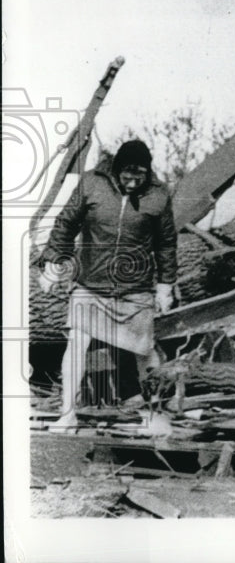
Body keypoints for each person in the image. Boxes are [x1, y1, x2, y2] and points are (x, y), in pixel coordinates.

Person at [36, 139, 178, 429]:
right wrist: (52, 262)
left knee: (144, 351)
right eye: (127, 174)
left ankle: (153, 414)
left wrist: (166, 285)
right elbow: (65, 223)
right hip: (90, 283)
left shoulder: (159, 195)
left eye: (140, 176)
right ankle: (67, 414)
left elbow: (166, 244)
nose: (133, 181)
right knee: (76, 344)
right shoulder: (91, 184)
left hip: (135, 288)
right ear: (116, 168)